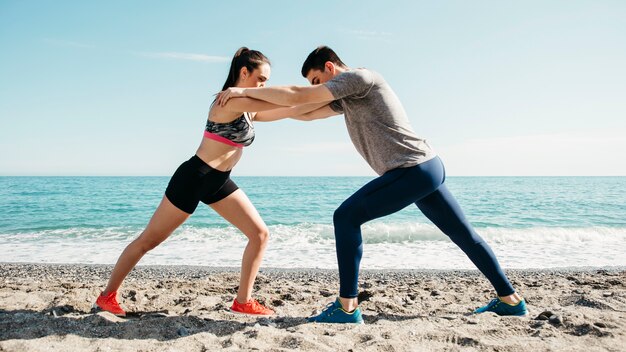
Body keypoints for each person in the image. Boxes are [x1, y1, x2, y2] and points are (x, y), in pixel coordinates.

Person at [216, 46, 528, 324]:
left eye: (316, 80)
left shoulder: (360, 78)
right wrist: (250, 107)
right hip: (426, 168)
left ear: (329, 68)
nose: (317, 87)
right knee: (463, 234)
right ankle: (510, 301)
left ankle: (347, 308)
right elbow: (303, 111)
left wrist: (241, 93)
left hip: (413, 169)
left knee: (346, 217)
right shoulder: (347, 97)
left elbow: (301, 96)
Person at [94, 47, 324, 317]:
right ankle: (107, 296)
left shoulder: (248, 107)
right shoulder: (229, 101)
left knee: (260, 235)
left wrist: (335, 105)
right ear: (243, 72)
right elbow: (288, 101)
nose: (264, 85)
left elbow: (293, 110)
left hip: (218, 181)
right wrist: (315, 95)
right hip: (194, 177)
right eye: (261, 79)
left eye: (267, 81)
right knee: (148, 241)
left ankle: (243, 301)